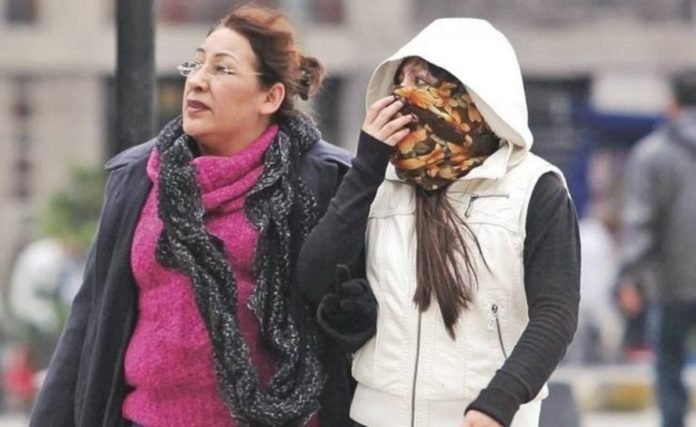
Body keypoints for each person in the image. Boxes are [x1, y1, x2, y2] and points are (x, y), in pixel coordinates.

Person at [29, 5, 355, 427]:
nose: (198, 80)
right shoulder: (138, 177)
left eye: (222, 69)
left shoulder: (322, 181)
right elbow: (91, 316)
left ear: (270, 97)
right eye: (197, 64)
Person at [297, 18, 581, 427]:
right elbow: (313, 279)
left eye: (423, 82)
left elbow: (556, 314)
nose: (405, 96)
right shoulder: (376, 181)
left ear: (475, 94)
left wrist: (498, 403)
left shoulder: (535, 187)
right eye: (400, 82)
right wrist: (367, 168)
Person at [615, 68, 696, 427]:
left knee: (668, 368)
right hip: (671, 282)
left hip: (671, 284)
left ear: (672, 105)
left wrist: (628, 277)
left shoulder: (652, 154)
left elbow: (641, 224)